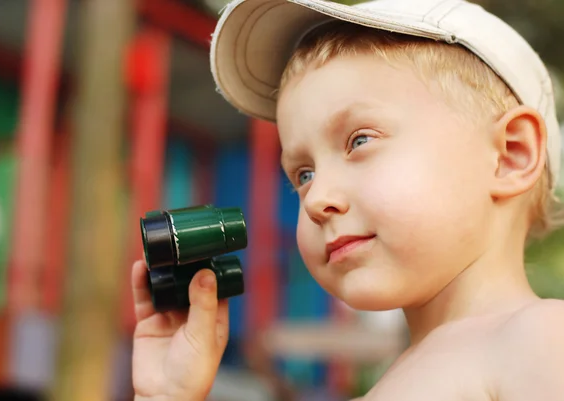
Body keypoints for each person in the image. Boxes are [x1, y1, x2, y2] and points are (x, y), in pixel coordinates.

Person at [131, 0, 564, 399]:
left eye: (359, 140)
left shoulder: (539, 338)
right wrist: (168, 394)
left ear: (510, 155)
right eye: (303, 174)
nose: (317, 198)